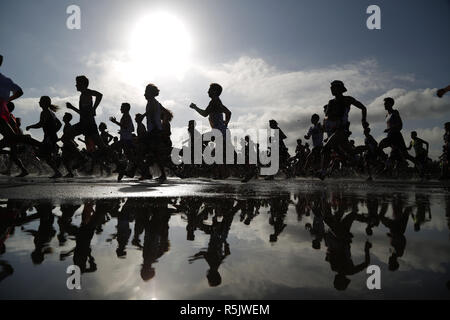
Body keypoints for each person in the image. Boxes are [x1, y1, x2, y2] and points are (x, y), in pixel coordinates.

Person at [318, 80, 367, 180]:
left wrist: (363, 120)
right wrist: (324, 126)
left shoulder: (347, 99)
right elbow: (327, 117)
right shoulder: (331, 102)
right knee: (351, 152)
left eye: (334, 88)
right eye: (331, 88)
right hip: (334, 131)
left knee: (326, 149)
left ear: (340, 89)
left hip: (341, 130)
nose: (331, 90)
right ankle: (366, 151)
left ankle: (323, 172)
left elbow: (363, 107)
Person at [190, 83, 232, 179]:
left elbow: (205, 114)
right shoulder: (218, 102)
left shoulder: (214, 102)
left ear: (215, 92)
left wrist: (195, 107)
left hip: (218, 132)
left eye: (209, 90)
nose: (207, 92)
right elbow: (228, 112)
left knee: (201, 143)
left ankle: (223, 173)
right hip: (220, 131)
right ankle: (222, 173)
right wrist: (225, 123)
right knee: (216, 153)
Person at [378, 97, 420, 176]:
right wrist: (388, 130)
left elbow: (400, 125)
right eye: (384, 103)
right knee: (385, 149)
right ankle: (386, 167)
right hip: (390, 135)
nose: (384, 105)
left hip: (396, 136)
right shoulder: (386, 115)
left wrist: (390, 129)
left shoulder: (395, 112)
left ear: (391, 104)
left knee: (405, 155)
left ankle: (420, 167)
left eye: (386, 103)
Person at [26, 96, 63, 178]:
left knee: (43, 154)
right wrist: (54, 133)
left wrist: (30, 126)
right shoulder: (51, 113)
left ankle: (56, 170)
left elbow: (40, 124)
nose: (39, 103)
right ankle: (56, 168)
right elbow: (60, 124)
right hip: (51, 136)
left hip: (49, 137)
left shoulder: (44, 112)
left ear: (44, 103)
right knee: (45, 155)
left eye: (40, 101)